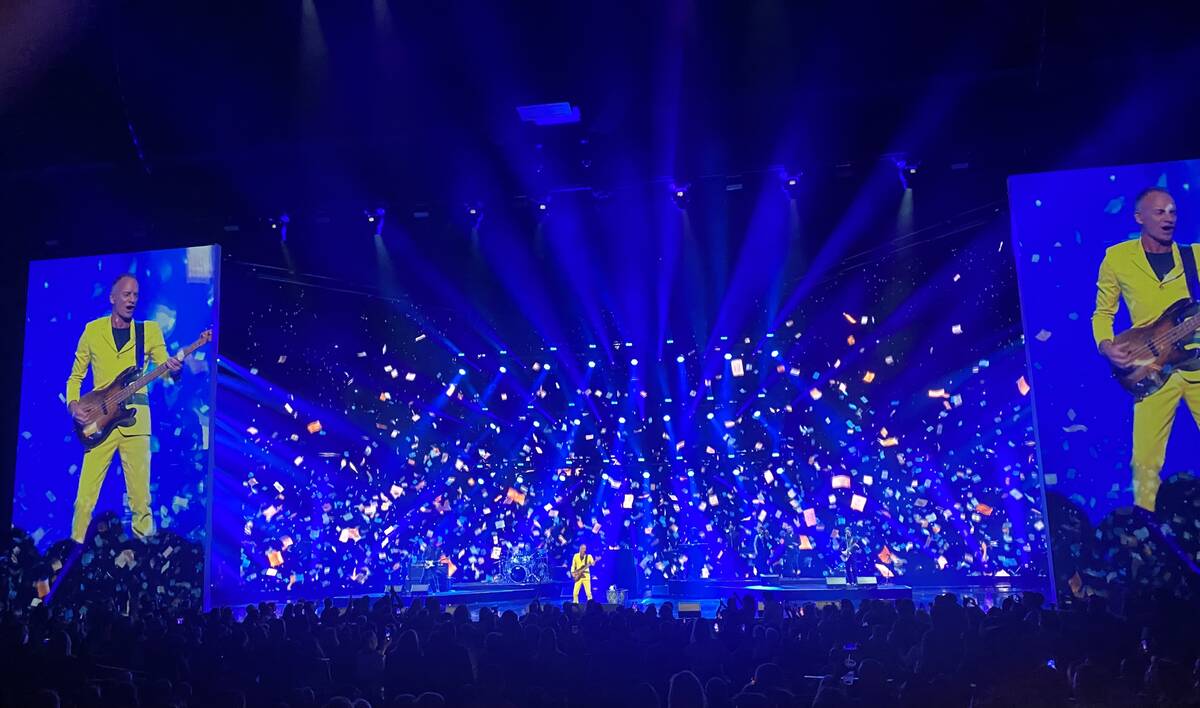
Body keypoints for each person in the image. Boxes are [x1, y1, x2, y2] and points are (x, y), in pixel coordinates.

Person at [1093, 187, 1200, 511]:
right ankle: (1147, 534)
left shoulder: (1195, 255)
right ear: (1139, 217)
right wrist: (1107, 346)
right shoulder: (1117, 257)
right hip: (1150, 369)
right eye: (1159, 212)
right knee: (1144, 463)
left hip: (1196, 365)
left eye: (1173, 212)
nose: (1168, 218)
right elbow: (1103, 313)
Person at [65, 273, 184, 543]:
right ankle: (75, 550)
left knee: (140, 500)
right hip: (99, 419)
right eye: (126, 294)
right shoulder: (92, 330)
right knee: (84, 499)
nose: (131, 300)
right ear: (113, 297)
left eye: (135, 296)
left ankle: (144, 556)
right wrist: (74, 405)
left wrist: (176, 371)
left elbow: (165, 370)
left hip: (135, 421)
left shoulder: (149, 330)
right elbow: (75, 377)